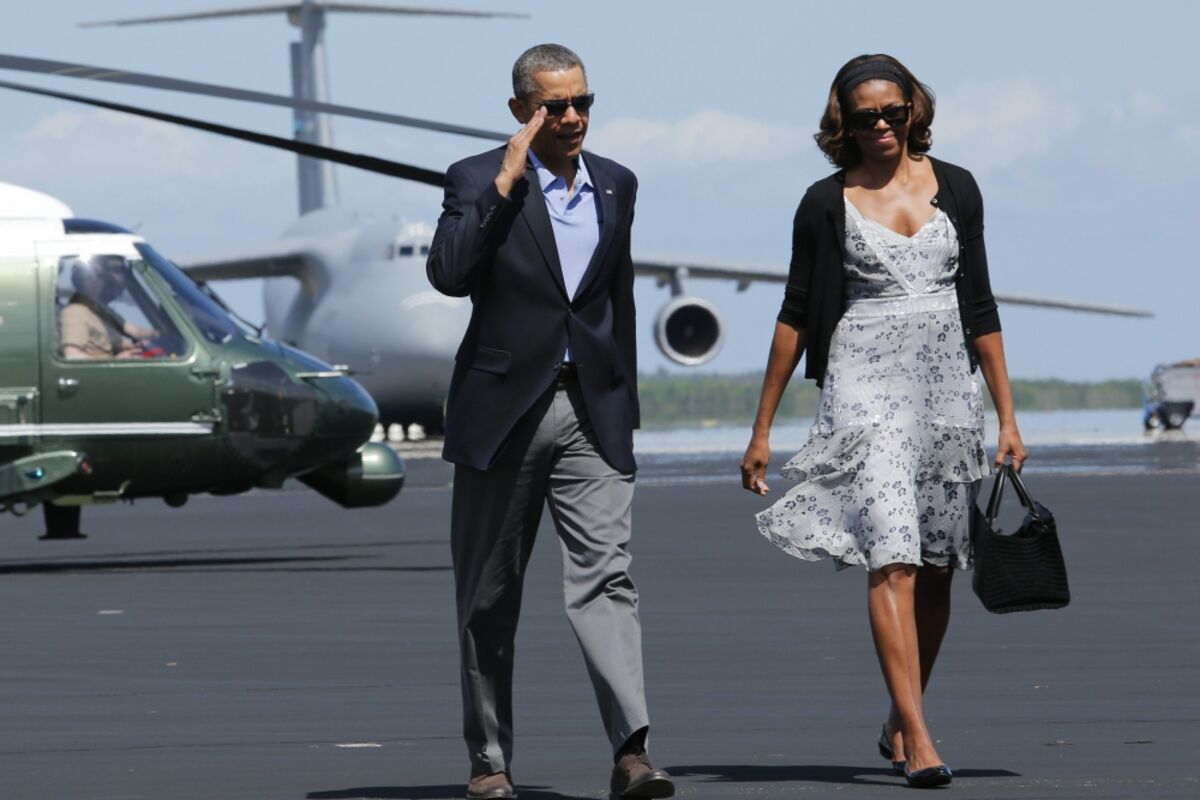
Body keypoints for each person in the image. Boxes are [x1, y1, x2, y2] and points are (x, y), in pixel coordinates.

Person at [739, 54, 1027, 789]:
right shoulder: (823, 201)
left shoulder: (957, 187)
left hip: (945, 394)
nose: (880, 127)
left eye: (892, 113)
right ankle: (921, 740)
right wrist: (762, 429)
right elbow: (794, 314)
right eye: (864, 117)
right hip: (863, 390)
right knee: (890, 557)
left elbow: (982, 306)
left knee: (937, 567)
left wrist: (1007, 416)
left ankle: (902, 714)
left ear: (913, 110)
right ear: (844, 123)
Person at [426, 43, 674, 800]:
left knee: (608, 580)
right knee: (488, 597)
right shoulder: (476, 178)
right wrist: (505, 182)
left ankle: (632, 753)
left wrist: (624, 406)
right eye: (553, 106)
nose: (571, 117)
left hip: (591, 411)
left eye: (581, 103)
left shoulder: (618, 183)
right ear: (520, 111)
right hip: (503, 413)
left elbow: (616, 301)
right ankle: (489, 760)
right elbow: (449, 274)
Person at [59, 256, 156, 359]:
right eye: (89, 277)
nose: (95, 281)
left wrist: (160, 335)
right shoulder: (75, 312)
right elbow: (73, 355)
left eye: (100, 276)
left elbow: (135, 332)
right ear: (79, 280)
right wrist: (116, 361)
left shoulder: (99, 309)